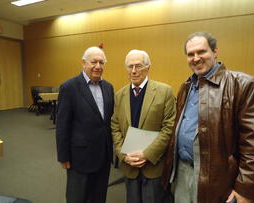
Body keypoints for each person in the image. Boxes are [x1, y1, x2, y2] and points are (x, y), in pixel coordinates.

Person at [162, 32, 254, 203]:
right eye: (190, 54)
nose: (196, 58)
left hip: (218, 181)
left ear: (215, 51)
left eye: (201, 52)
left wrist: (245, 190)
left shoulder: (243, 84)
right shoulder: (185, 87)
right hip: (182, 173)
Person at [111, 49, 176, 203]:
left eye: (138, 66)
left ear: (148, 68)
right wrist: (122, 154)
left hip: (154, 166)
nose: (133, 71)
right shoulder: (119, 95)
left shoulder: (164, 91)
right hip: (129, 165)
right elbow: (115, 126)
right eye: (130, 66)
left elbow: (169, 128)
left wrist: (147, 154)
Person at [56, 46, 114, 203]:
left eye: (101, 62)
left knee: (99, 196)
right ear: (83, 63)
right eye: (93, 62)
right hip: (79, 157)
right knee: (78, 197)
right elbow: (62, 125)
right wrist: (63, 156)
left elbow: (108, 122)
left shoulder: (108, 87)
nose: (98, 66)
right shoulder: (69, 87)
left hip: (103, 155)